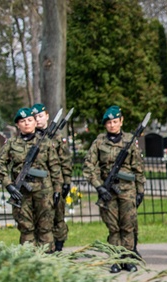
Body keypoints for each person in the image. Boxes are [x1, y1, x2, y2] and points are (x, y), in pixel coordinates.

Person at [83, 105, 146, 273]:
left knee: (128, 226)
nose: (112, 125)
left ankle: (127, 259)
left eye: (115, 121)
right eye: (109, 122)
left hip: (127, 190)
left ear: (121, 121)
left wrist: (140, 191)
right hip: (108, 191)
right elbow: (88, 167)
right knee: (114, 228)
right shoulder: (99, 142)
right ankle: (115, 260)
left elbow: (138, 168)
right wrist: (99, 187)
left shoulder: (130, 141)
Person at [0, 107, 62, 251]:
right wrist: (9, 185)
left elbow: (55, 167)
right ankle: (29, 262)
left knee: (45, 228)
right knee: (26, 229)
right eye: (22, 121)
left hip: (44, 192)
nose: (26, 123)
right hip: (21, 193)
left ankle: (48, 261)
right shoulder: (12, 143)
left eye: (30, 120)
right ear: (18, 125)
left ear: (35, 122)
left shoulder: (45, 142)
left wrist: (57, 190)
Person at [32, 103, 73, 252]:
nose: (38, 120)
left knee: (58, 216)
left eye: (40, 116)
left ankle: (59, 247)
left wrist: (67, 181)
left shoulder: (57, 137)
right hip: (40, 184)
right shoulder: (31, 137)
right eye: (35, 117)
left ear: (47, 116)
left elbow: (65, 161)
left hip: (57, 182)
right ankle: (42, 248)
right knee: (40, 218)